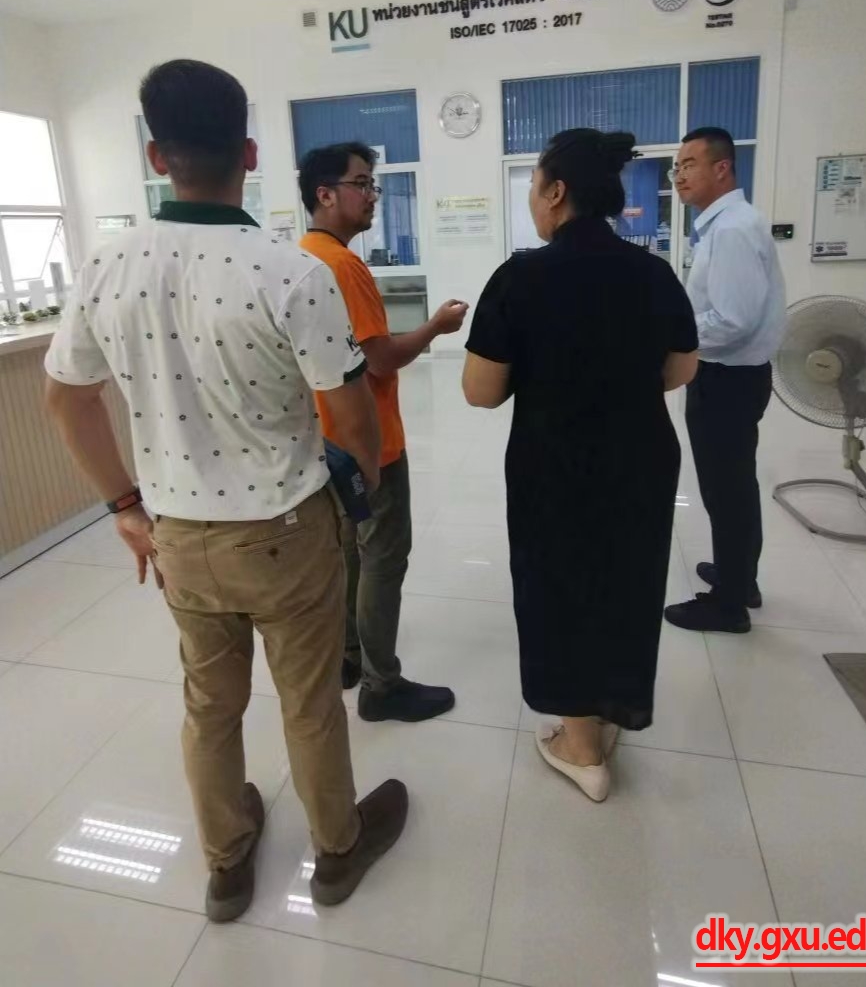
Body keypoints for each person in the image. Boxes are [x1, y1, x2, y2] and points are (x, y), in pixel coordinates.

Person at [44, 60, 408, 922]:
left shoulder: (106, 266)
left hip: (178, 534)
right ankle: (336, 851)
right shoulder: (290, 270)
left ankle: (226, 864)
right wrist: (360, 482)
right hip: (286, 531)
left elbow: (67, 400)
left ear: (155, 156)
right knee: (309, 703)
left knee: (209, 706)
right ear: (248, 152)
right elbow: (349, 414)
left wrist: (125, 508)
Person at [462, 129, 698, 802]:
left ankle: (582, 746)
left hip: (553, 465)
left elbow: (481, 391)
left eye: (534, 187)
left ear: (556, 191)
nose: (533, 200)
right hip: (641, 460)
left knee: (557, 588)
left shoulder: (519, 277)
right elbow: (681, 369)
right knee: (626, 582)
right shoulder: (653, 273)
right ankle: (612, 706)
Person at [299, 143, 467, 722]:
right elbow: (382, 360)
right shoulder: (345, 266)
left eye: (373, 184)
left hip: (326, 437)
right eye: (362, 183)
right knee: (383, 557)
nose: (373, 195)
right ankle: (382, 685)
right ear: (325, 194)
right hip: (371, 444)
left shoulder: (303, 257)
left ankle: (347, 658)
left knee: (350, 551)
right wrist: (437, 326)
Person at [663, 126, 786, 634]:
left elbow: (733, 320)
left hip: (727, 380)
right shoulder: (727, 224)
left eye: (689, 164)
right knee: (731, 486)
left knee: (727, 490)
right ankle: (740, 577)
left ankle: (729, 604)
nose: (679, 175)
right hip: (730, 376)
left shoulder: (732, 229)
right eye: (677, 166)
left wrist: (672, 342)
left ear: (722, 168)